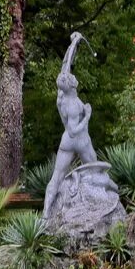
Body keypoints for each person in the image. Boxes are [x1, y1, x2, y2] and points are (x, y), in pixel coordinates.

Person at [42, 33, 99, 219]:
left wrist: (74, 42)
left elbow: (66, 64)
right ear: (69, 84)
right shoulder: (70, 103)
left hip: (66, 142)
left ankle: (45, 214)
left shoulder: (64, 94)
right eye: (71, 77)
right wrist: (87, 117)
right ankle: (96, 204)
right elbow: (74, 130)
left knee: (57, 177)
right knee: (96, 169)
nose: (73, 77)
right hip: (78, 139)